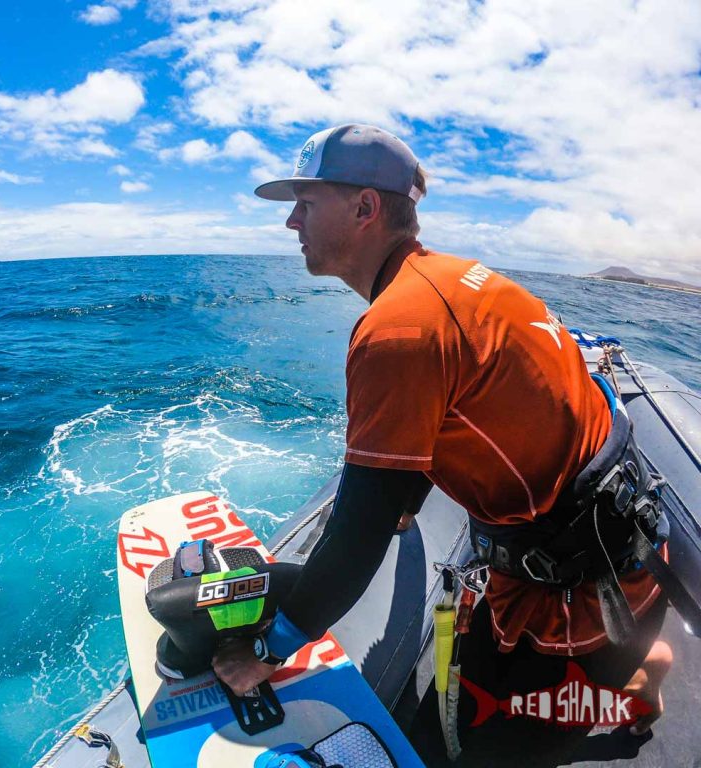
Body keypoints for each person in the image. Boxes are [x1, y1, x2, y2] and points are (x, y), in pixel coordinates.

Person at [212, 124, 672, 763]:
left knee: (463, 749)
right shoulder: (458, 279)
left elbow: (357, 534)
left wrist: (265, 652)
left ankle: (634, 676)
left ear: (365, 208)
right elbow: (462, 404)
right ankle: (641, 667)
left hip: (581, 597)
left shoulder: (398, 330)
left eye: (306, 203)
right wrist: (407, 495)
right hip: (612, 549)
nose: (291, 221)